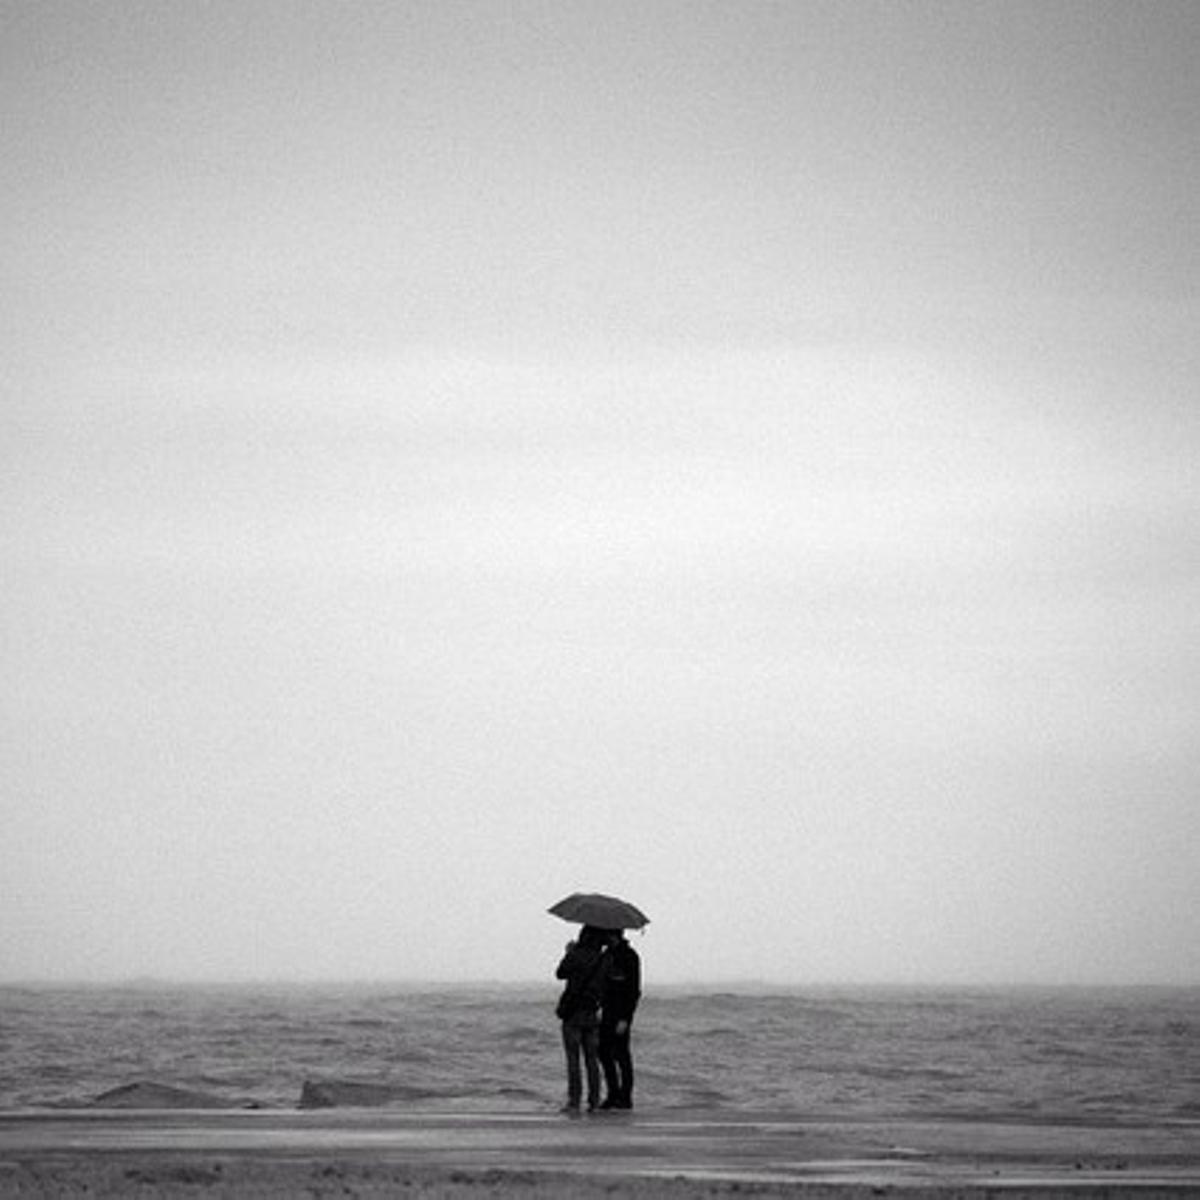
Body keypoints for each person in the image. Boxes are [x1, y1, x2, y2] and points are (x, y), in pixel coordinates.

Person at [554, 925, 610, 1114]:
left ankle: (574, 1101)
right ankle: (594, 1101)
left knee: (573, 1059)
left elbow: (560, 973)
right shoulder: (604, 958)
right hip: (592, 1013)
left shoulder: (576, 954)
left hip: (573, 1013)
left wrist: (569, 952)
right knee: (592, 1060)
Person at [597, 929, 641, 1109]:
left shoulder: (630, 956)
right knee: (604, 1052)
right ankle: (613, 1093)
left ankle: (625, 1096)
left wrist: (626, 1017)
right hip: (607, 1010)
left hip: (621, 1011)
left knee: (621, 1054)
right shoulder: (607, 955)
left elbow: (634, 990)